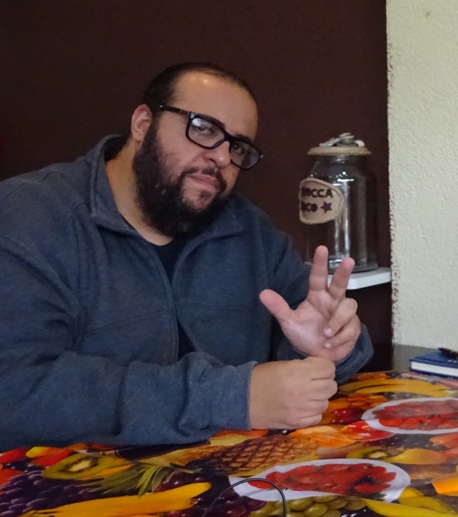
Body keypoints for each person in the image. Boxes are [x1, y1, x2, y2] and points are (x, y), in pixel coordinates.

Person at [0, 63, 373, 451]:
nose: (222, 157)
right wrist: (230, 398)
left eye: (237, 146)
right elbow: (13, 389)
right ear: (143, 124)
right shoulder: (27, 218)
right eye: (204, 128)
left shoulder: (248, 228)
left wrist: (331, 345)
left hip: (240, 473)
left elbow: (322, 334)